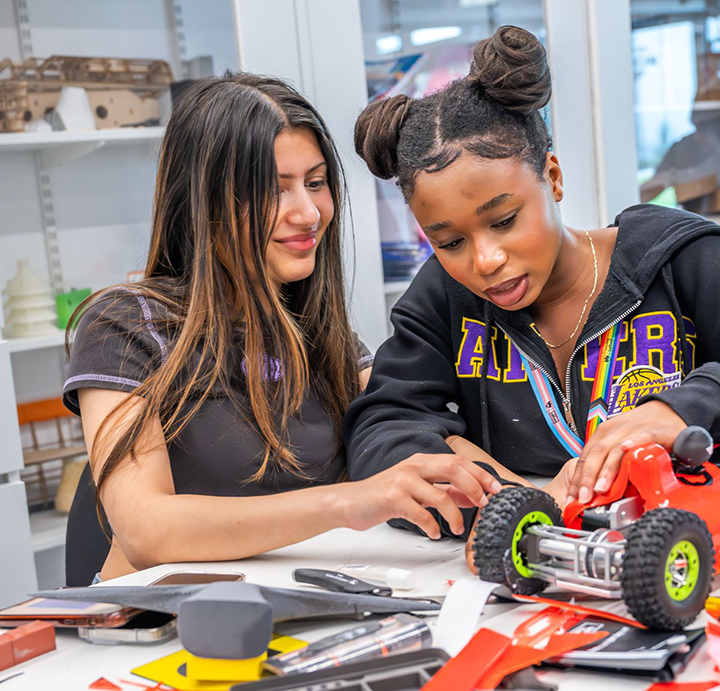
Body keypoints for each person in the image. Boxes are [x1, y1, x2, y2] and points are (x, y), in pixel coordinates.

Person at [345, 25, 720, 542]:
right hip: (542, 567)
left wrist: (681, 410)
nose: (485, 260)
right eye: (449, 241)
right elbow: (381, 430)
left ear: (552, 177)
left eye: (504, 220)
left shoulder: (677, 259)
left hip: (714, 557)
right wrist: (501, 496)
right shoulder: (444, 297)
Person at [63, 74, 502, 586]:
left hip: (302, 605)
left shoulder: (323, 336)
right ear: (203, 201)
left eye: (315, 183)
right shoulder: (126, 326)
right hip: (161, 624)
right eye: (274, 190)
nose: (309, 212)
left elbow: (403, 427)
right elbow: (147, 532)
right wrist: (350, 502)